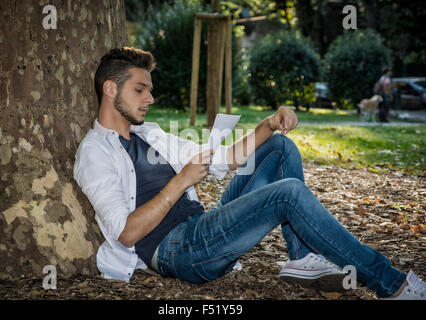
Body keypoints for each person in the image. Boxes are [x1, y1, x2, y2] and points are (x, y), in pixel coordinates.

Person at [73, 47, 425, 300]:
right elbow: (125, 233)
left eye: (149, 88)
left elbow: (225, 159)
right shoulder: (95, 151)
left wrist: (269, 124)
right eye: (140, 89)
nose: (150, 97)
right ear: (110, 89)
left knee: (279, 148)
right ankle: (393, 285)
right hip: (177, 251)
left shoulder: (150, 134)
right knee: (287, 193)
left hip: (202, 229)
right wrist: (180, 182)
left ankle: (301, 259)